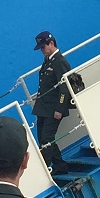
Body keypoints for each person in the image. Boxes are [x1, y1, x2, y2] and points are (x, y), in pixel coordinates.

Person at [32, 32, 72, 173]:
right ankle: (60, 165)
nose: (42, 51)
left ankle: (44, 169)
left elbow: (64, 87)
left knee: (46, 138)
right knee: (42, 137)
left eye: (43, 47)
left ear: (51, 43)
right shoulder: (48, 60)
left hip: (53, 108)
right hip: (43, 107)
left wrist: (60, 108)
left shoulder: (59, 62)